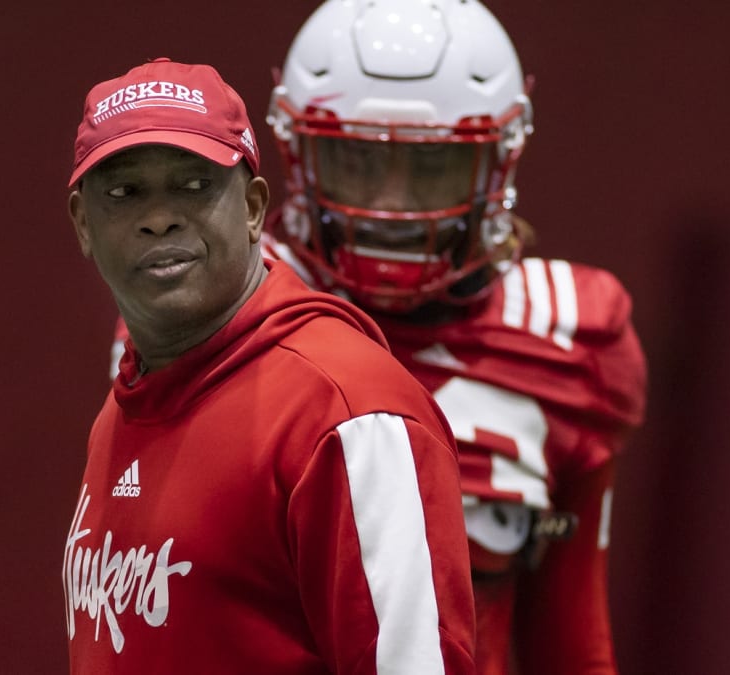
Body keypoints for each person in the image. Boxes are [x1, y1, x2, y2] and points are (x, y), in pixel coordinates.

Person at [263, 2, 648, 674]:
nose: (389, 206)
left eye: (432, 167)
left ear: (499, 164)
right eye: (356, 160)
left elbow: (571, 638)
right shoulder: (230, 319)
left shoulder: (567, 340)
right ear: (298, 153)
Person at [61, 57, 477, 674]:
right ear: (83, 225)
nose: (159, 216)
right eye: (124, 193)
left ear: (255, 208)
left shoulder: (347, 411)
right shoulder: (130, 401)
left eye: (194, 184)